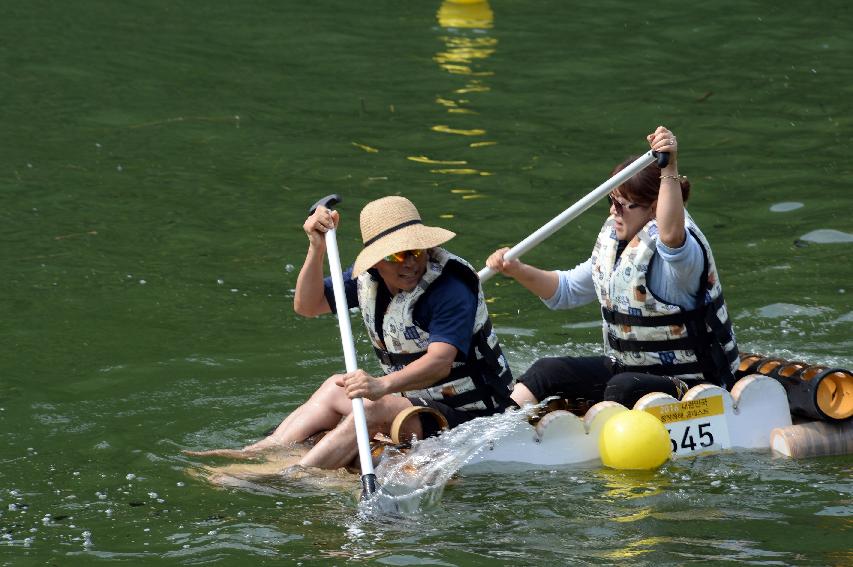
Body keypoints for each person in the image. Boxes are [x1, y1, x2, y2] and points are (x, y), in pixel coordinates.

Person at [191, 196, 514, 470]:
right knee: (335, 386)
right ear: (376, 261)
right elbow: (308, 305)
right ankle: (263, 450)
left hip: (475, 417)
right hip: (417, 402)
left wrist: (381, 386)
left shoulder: (451, 288)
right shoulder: (367, 279)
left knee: (374, 406)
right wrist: (316, 247)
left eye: (418, 251)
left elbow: (441, 363)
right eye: (397, 255)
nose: (410, 264)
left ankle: (297, 474)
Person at [486, 126, 739, 410]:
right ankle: (496, 427)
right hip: (630, 372)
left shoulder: (682, 252)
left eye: (622, 205)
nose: (612, 212)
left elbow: (670, 235)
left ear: (655, 206)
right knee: (546, 371)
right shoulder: (616, 240)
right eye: (611, 201)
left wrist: (670, 166)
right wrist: (517, 269)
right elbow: (565, 292)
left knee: (622, 387)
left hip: (692, 385)